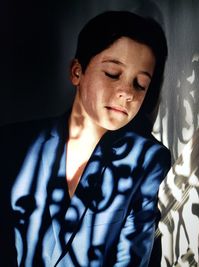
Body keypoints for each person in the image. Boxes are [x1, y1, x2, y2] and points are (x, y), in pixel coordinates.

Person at [0, 11, 171, 267]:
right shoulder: (13, 144)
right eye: (113, 73)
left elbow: (131, 258)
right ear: (77, 72)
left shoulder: (146, 160)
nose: (126, 93)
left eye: (140, 84)